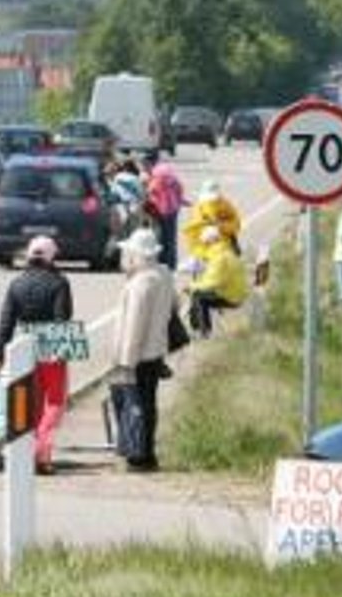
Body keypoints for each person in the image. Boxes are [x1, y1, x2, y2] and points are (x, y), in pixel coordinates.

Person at [0, 236, 73, 475]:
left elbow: (6, 322)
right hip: (51, 347)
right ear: (52, 257)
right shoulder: (59, 283)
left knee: (31, 404)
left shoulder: (17, 284)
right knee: (54, 402)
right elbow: (63, 318)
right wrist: (63, 350)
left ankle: (26, 452)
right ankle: (42, 454)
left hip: (23, 348)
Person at [111, 228, 176, 472]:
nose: (125, 256)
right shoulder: (163, 275)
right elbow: (173, 306)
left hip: (137, 354)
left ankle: (138, 454)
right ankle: (147, 452)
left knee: (135, 404)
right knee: (148, 403)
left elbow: (133, 326)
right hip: (155, 350)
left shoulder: (140, 284)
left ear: (137, 255)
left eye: (128, 252)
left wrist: (126, 362)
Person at [188, 226, 249, 338]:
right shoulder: (227, 250)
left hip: (232, 297)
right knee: (200, 291)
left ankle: (205, 332)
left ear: (210, 242)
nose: (204, 246)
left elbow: (212, 282)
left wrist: (192, 286)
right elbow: (213, 277)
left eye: (205, 244)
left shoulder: (218, 257)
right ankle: (202, 329)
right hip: (238, 291)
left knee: (198, 296)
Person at [183, 180, 242, 260]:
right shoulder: (199, 207)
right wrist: (206, 231)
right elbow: (194, 229)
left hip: (224, 244)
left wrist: (221, 227)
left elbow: (236, 223)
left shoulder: (225, 204)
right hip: (208, 246)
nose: (212, 200)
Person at [145, 161, 185, 269]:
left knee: (159, 236)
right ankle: (171, 262)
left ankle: (161, 260)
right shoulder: (174, 180)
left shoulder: (155, 180)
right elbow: (180, 192)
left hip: (158, 211)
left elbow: (150, 192)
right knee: (171, 237)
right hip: (173, 210)